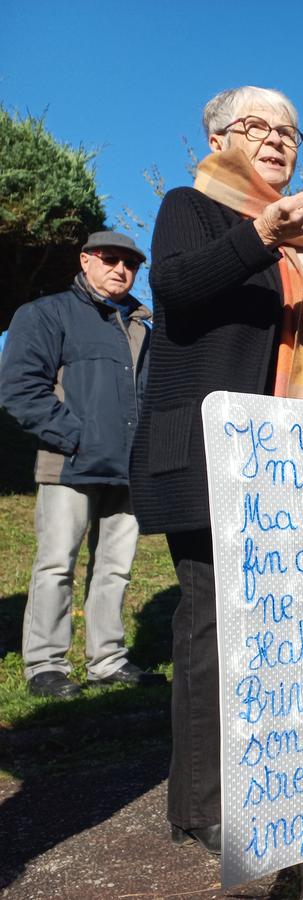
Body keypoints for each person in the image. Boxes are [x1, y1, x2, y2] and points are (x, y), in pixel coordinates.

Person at [129, 85, 303, 855]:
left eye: (291, 130)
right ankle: (203, 805)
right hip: (212, 455)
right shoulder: (194, 204)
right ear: (219, 135)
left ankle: (267, 774)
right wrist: (258, 233)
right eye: (260, 126)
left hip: (281, 465)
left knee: (275, 628)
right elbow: (176, 290)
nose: (279, 139)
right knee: (213, 626)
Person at [0, 231, 161, 698]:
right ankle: (45, 665)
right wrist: (74, 438)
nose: (121, 270)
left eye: (130, 265)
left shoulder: (140, 328)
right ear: (86, 260)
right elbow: (20, 389)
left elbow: (147, 399)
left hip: (127, 468)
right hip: (68, 463)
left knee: (116, 568)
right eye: (110, 259)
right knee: (55, 564)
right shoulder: (46, 313)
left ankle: (107, 660)